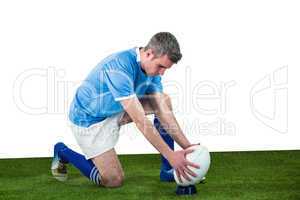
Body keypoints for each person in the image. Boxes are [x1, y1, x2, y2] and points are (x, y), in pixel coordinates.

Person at [51, 32, 200, 188]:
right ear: (149, 54)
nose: (162, 72)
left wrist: (188, 148)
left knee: (163, 101)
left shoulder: (151, 70)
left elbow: (163, 111)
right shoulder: (119, 66)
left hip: (116, 108)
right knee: (113, 180)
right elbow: (140, 121)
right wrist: (171, 155)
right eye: (161, 66)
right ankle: (63, 151)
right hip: (88, 119)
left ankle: (168, 170)